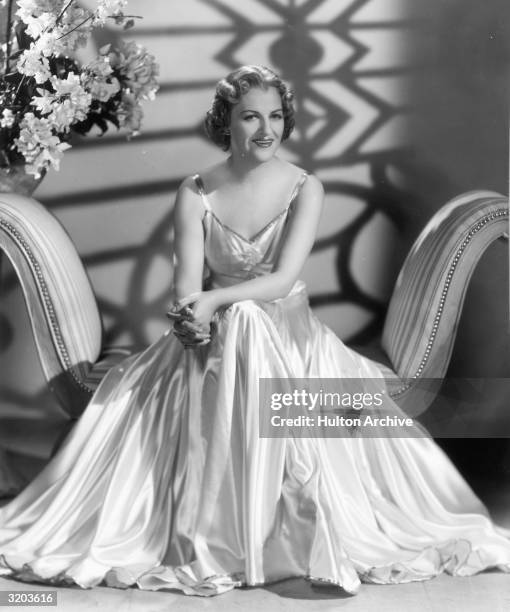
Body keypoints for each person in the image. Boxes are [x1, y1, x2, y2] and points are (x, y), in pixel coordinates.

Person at [0, 65, 509, 598]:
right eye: (250, 117)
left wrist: (215, 301)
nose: (266, 129)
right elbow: (184, 287)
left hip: (293, 344)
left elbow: (283, 279)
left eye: (275, 116)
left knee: (244, 316)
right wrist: (190, 320)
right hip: (213, 344)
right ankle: (229, 535)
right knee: (236, 323)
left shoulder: (304, 187)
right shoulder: (196, 192)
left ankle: (243, 535)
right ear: (226, 124)